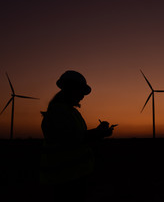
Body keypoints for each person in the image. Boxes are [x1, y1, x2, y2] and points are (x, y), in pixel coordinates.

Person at [40, 70, 116, 201]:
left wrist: (98, 132)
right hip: (64, 179)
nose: (83, 96)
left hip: (74, 175)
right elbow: (72, 139)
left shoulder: (70, 112)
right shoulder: (59, 112)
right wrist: (99, 133)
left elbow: (78, 135)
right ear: (71, 89)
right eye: (81, 91)